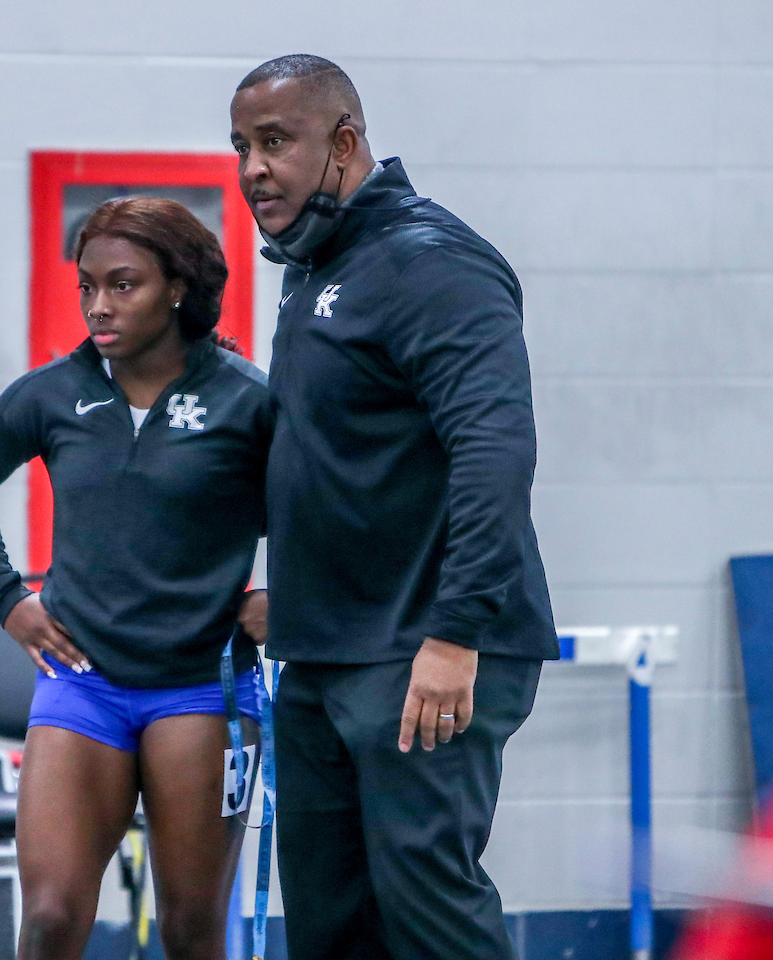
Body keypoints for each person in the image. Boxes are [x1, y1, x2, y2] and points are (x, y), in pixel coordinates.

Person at [230, 55, 560, 959]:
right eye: (241, 147)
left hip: (427, 649)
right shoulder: (318, 269)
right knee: (332, 923)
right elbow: (338, 460)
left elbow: (495, 452)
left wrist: (457, 633)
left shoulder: (431, 261)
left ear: (343, 143)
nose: (254, 167)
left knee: (427, 917)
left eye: (275, 142)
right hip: (329, 648)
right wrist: (277, 598)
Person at [0, 197, 272, 960]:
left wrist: (290, 597)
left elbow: (328, 512)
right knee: (52, 917)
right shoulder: (54, 392)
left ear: (178, 287)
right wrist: (7, 598)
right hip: (81, 684)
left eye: (123, 285)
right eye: (87, 285)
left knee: (190, 929)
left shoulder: (247, 400)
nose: (98, 305)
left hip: (201, 688)